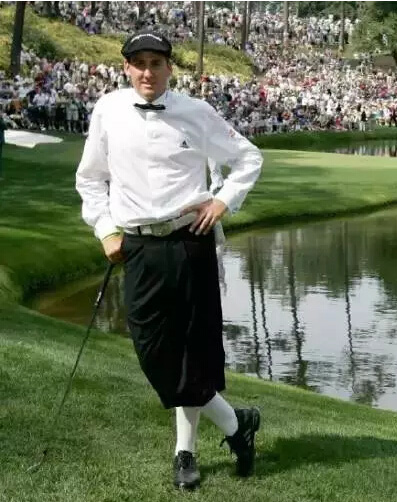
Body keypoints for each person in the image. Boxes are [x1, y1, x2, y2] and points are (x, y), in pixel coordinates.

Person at [75, 29, 263, 491]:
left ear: (168, 68)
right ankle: (236, 423)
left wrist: (223, 201)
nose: (147, 72)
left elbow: (248, 158)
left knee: (191, 349)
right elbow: (90, 179)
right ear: (126, 68)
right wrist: (105, 229)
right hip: (137, 245)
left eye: (155, 63)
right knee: (153, 347)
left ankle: (185, 453)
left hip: (189, 241)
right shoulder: (108, 110)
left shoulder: (196, 112)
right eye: (138, 63)